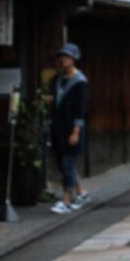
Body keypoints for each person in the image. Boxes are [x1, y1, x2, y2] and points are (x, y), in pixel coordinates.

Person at [49, 42, 89, 215]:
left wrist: (76, 131)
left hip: (72, 127)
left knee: (67, 163)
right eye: (61, 57)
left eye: (66, 57)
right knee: (65, 163)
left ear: (74, 59)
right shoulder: (57, 79)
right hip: (58, 126)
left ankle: (66, 198)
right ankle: (81, 192)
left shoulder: (80, 82)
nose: (63, 60)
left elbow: (81, 109)